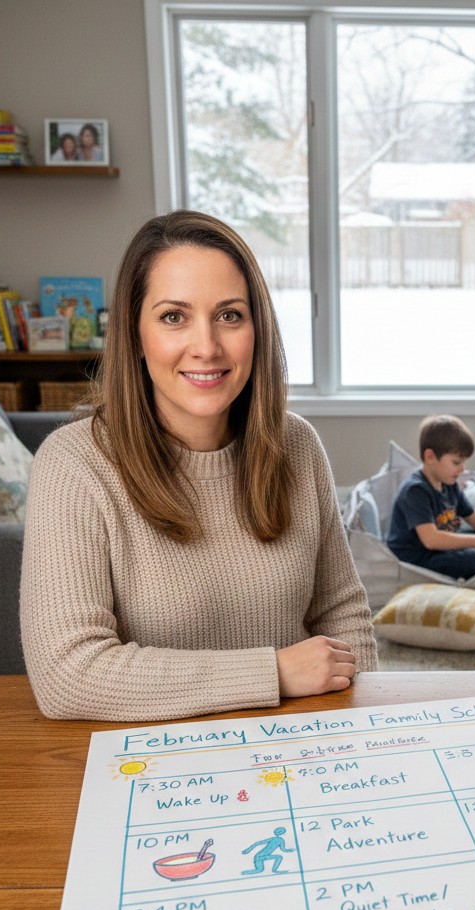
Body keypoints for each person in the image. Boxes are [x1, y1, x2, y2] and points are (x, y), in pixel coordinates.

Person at [21, 210, 377, 721]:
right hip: (146, 768)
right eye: (173, 317)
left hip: (299, 753)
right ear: (135, 335)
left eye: (230, 315)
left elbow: (341, 614)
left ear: (257, 329)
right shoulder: (74, 464)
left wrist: (363, 733)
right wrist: (271, 673)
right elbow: (67, 674)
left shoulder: (296, 443)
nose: (207, 347)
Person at [385, 414, 475, 580]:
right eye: (456, 462)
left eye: (464, 462)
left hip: (440, 550)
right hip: (418, 559)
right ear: (430, 456)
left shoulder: (448, 484)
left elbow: (474, 517)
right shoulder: (415, 491)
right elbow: (431, 540)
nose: (462, 469)